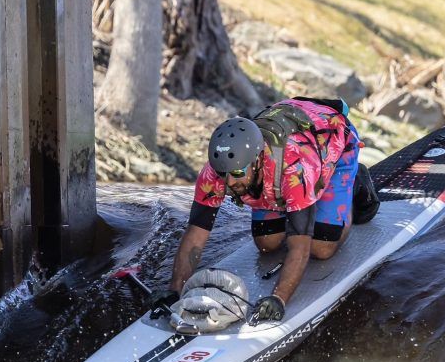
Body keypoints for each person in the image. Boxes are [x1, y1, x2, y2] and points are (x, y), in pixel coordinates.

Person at [150, 96, 374, 323]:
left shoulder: (294, 169)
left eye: (237, 174)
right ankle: (300, 203)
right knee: (267, 243)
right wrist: (175, 289)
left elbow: (301, 248)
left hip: (331, 138)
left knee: (321, 248)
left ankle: (355, 183)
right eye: (223, 174)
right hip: (278, 165)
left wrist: (278, 298)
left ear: (257, 161)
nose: (228, 184)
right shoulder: (217, 172)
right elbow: (196, 233)